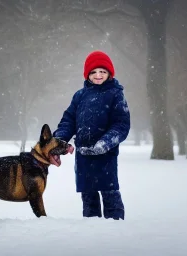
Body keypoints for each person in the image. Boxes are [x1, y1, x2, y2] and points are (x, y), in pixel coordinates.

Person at [51, 50, 130, 220]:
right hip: (84, 155)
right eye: (93, 72)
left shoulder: (115, 94)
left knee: (110, 193)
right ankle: (91, 229)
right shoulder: (80, 96)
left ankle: (115, 227)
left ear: (109, 73)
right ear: (87, 75)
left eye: (102, 71)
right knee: (88, 196)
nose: (98, 75)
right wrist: (60, 140)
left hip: (105, 155)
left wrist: (105, 143)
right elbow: (68, 120)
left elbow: (121, 125)